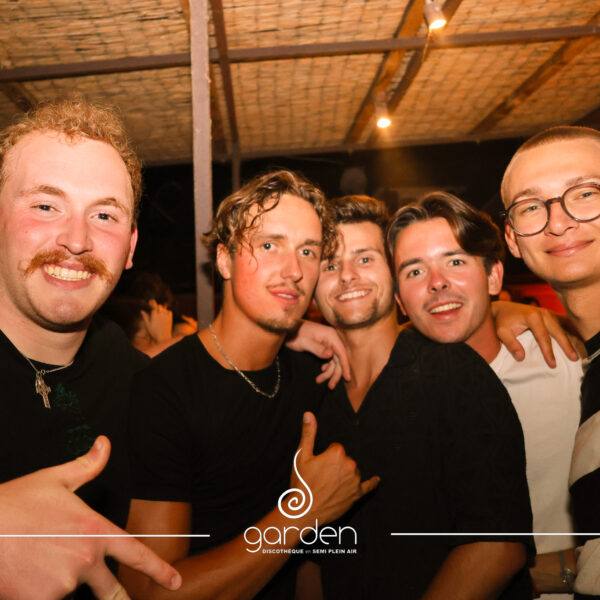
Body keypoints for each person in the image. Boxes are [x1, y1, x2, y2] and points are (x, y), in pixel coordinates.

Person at [121, 171, 379, 600]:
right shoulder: (164, 391)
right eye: (269, 245)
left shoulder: (311, 375)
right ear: (224, 260)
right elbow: (150, 591)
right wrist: (299, 516)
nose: (293, 270)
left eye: (308, 251)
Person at [309, 194, 533, 599]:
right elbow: (310, 554)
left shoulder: (454, 372)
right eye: (329, 265)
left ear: (396, 284)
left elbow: (498, 545)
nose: (347, 276)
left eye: (364, 258)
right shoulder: (310, 393)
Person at [0, 98, 181, 596]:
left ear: (131, 247)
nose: (77, 239)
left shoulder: (141, 386)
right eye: (45, 206)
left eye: (103, 214)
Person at [388, 191, 583, 599]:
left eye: (455, 261)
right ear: (400, 302)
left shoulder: (566, 366)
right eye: (414, 271)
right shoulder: (387, 402)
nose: (437, 282)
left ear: (494, 277)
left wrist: (553, 573)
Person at [501, 125, 600, 597]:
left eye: (585, 193)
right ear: (512, 239)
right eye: (531, 207)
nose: (558, 222)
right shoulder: (585, 367)